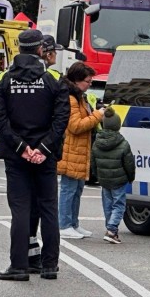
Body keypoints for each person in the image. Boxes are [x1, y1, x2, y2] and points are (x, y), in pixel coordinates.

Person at [0, 29, 70, 281]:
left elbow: (0, 120)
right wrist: (43, 148)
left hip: (16, 157)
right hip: (45, 156)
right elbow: (61, 119)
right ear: (40, 50)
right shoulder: (54, 78)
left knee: (20, 210)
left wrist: (21, 147)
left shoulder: (4, 79)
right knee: (48, 209)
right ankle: (49, 266)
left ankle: (19, 266)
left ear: (18, 48)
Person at [57, 62, 104, 239]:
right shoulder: (71, 98)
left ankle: (73, 224)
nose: (90, 83)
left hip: (79, 149)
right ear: (77, 81)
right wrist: (98, 115)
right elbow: (75, 126)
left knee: (77, 189)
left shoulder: (79, 96)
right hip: (71, 149)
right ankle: (64, 225)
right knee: (69, 189)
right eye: (87, 80)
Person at [90, 107, 135, 244]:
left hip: (104, 180)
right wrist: (130, 177)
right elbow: (129, 163)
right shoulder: (123, 143)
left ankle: (111, 231)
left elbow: (93, 163)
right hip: (119, 180)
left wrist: (97, 175)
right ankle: (111, 229)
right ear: (117, 125)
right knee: (119, 205)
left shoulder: (96, 143)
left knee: (108, 205)